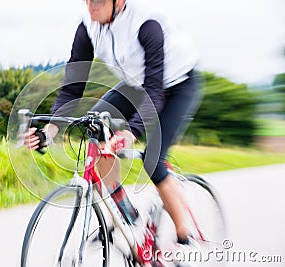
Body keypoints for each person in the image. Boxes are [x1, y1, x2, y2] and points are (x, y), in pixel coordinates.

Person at [26, 0, 201, 248]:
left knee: (153, 159)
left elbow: (155, 90)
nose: (90, 7)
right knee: (95, 127)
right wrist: (49, 132)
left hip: (177, 84)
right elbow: (73, 86)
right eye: (87, 0)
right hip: (137, 83)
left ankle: (185, 239)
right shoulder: (88, 27)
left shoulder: (146, 23)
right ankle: (125, 213)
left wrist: (131, 132)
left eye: (97, 1)